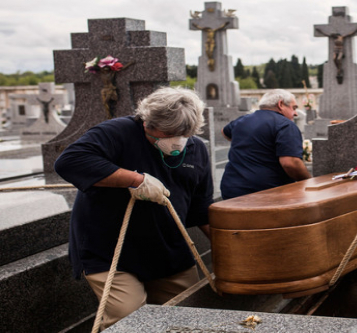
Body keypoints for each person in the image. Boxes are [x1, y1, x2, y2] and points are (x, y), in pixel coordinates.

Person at [54, 87, 213, 330]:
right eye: (161, 132)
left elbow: (201, 207)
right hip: (110, 251)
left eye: (179, 134)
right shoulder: (116, 132)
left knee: (185, 318)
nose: (172, 139)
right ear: (146, 121)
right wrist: (135, 179)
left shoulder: (197, 149)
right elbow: (70, 161)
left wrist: (228, 247)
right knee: (128, 318)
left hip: (169, 249)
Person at [220, 89, 311, 199]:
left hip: (232, 188)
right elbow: (290, 163)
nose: (295, 113)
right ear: (281, 104)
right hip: (266, 193)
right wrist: (309, 181)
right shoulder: (285, 125)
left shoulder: (242, 120)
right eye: (294, 108)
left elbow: (224, 132)